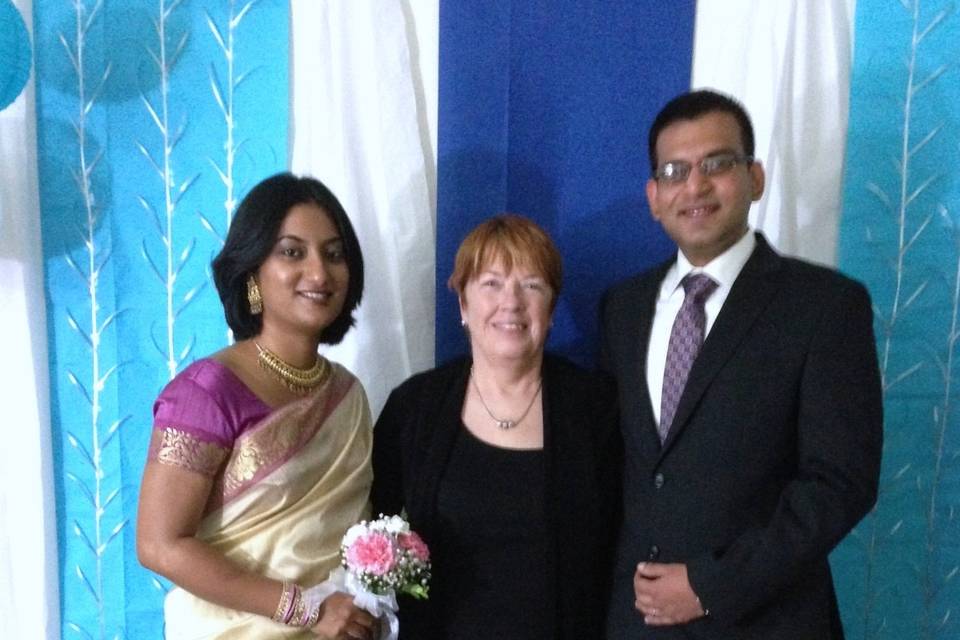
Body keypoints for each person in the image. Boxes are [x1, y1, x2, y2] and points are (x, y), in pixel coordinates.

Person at [601, 90, 883, 639]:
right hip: (636, 625)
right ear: (654, 196)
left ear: (754, 177)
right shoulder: (623, 309)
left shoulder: (824, 306)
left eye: (717, 164)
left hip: (766, 622)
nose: (696, 186)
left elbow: (839, 483)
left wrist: (713, 584)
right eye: (675, 171)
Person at [137, 173, 378, 639]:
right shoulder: (205, 394)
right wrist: (306, 610)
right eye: (292, 252)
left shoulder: (347, 395)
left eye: (334, 254)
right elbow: (159, 544)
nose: (319, 273)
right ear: (252, 271)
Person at [371, 214, 622, 639]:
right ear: (463, 305)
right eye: (491, 283)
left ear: (552, 309)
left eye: (532, 285)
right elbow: (367, 526)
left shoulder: (596, 408)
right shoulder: (414, 408)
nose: (512, 302)